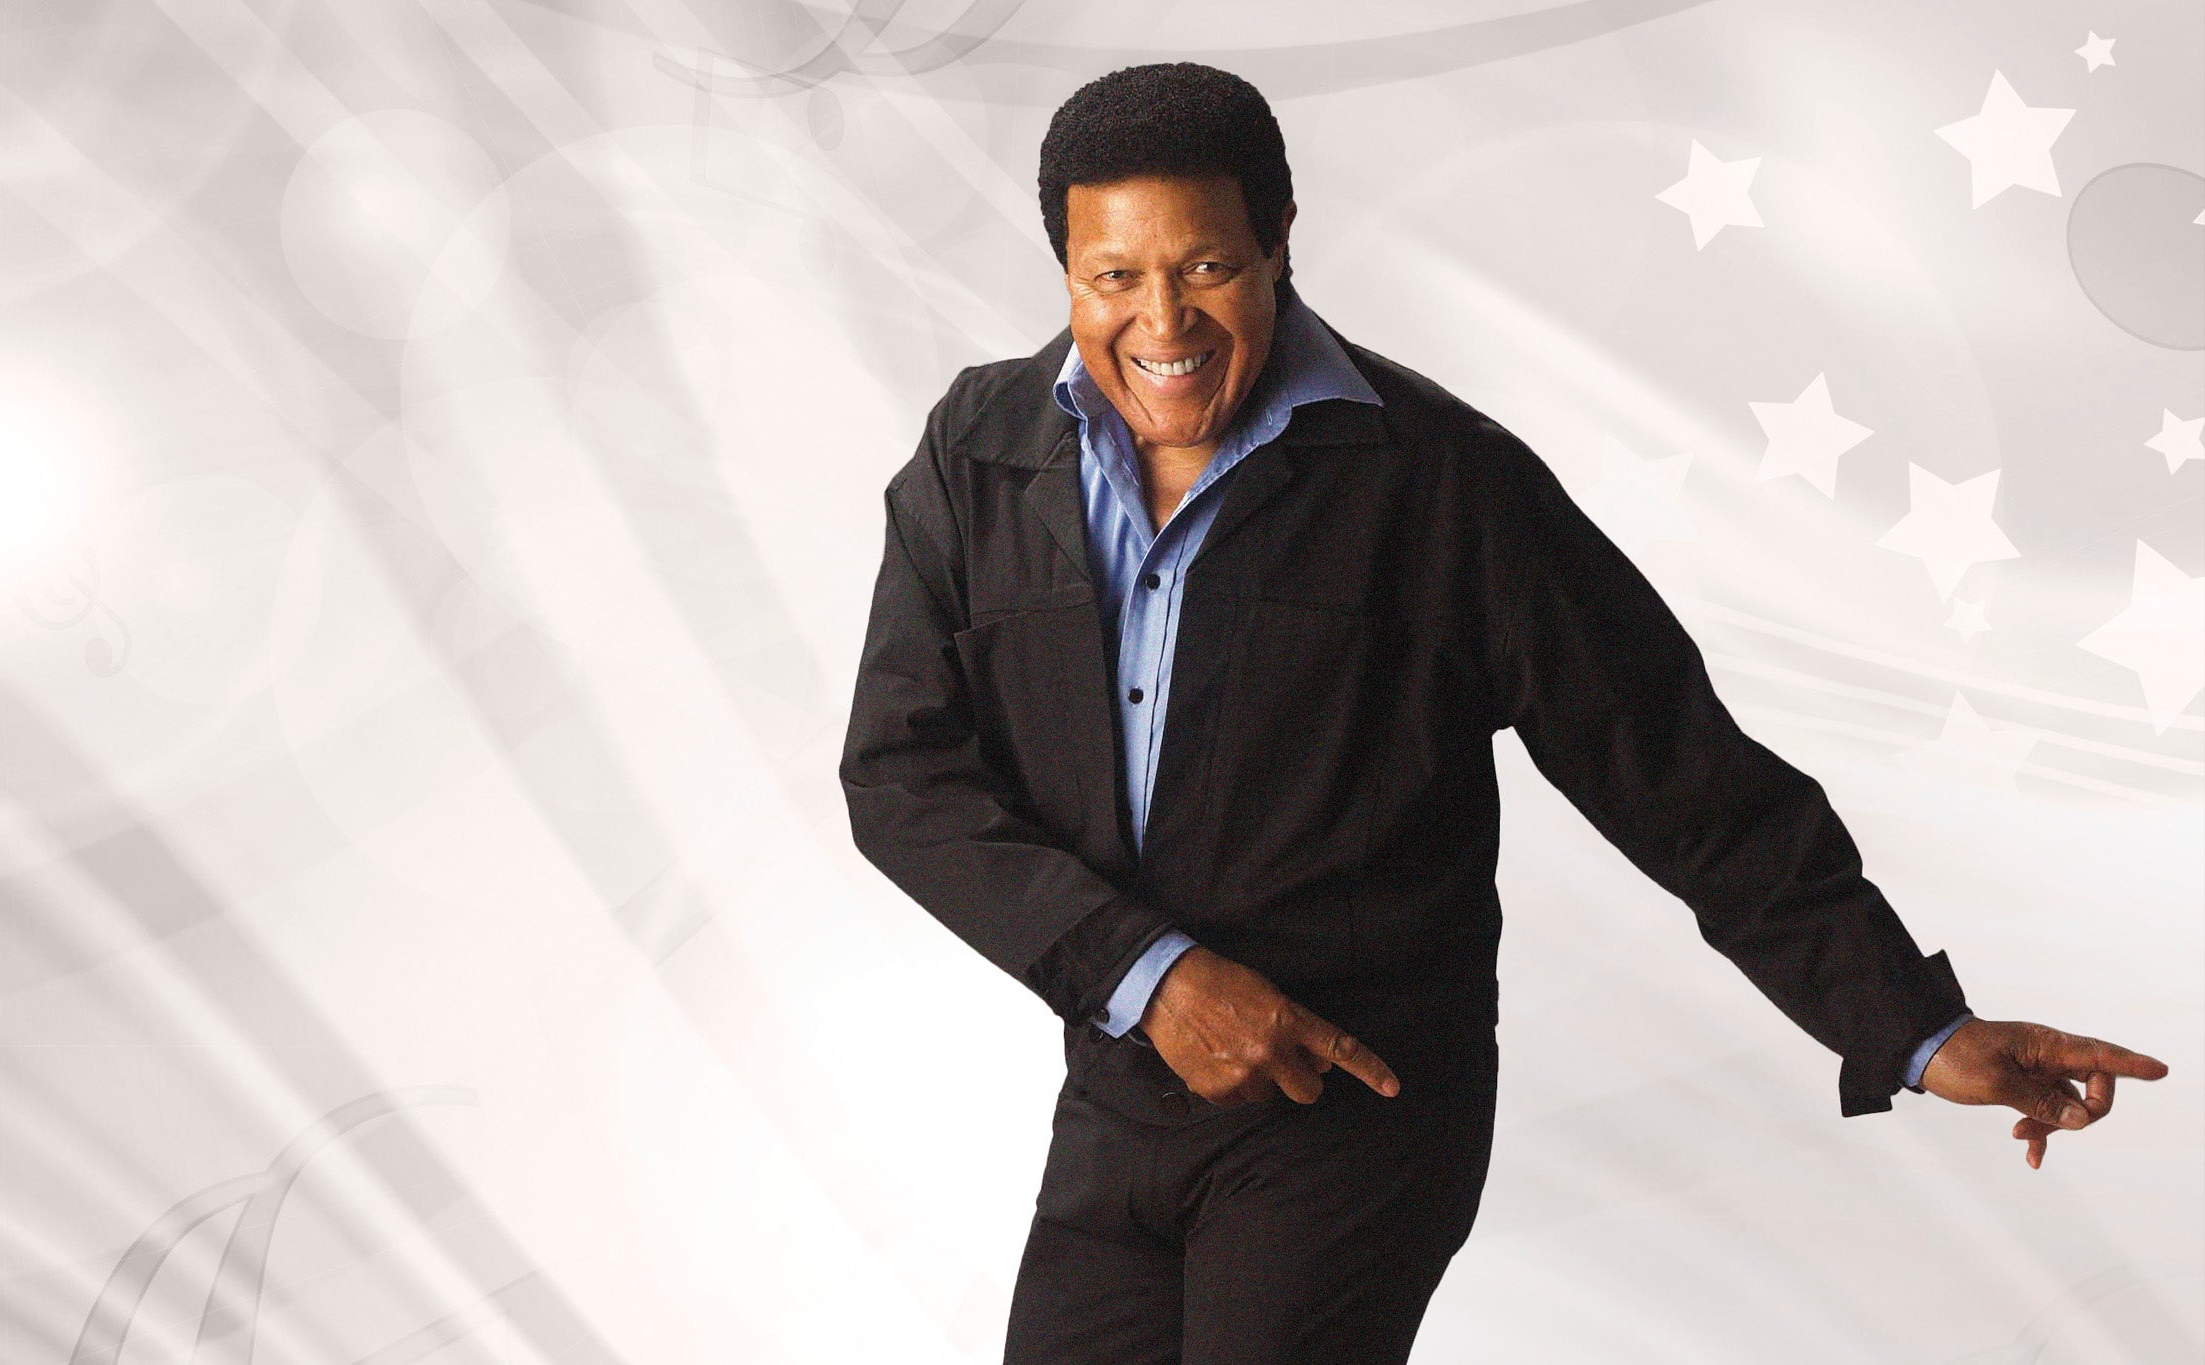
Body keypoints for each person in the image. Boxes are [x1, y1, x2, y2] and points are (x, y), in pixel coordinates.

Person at [838, 61, 2170, 1364]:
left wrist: (1914, 1026)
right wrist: (1151, 977)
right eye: (1112, 277)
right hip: (1120, 1081)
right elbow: (903, 776)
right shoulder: (979, 452)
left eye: (1205, 266)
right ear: (1066, 270)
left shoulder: (1442, 483)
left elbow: (1674, 771)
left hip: (1352, 1107)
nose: (1162, 322)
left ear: (1280, 240)